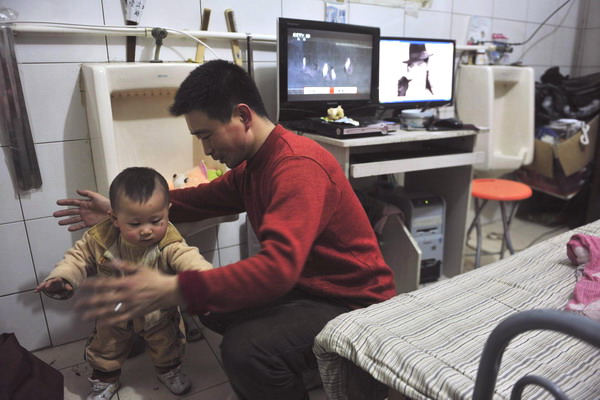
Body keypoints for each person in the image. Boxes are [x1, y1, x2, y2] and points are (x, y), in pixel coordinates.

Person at [53, 59, 396, 400]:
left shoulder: (296, 166)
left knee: (245, 350)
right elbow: (200, 199)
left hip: (354, 303)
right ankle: (294, 367)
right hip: (309, 288)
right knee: (215, 307)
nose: (207, 150)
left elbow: (277, 270)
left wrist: (178, 288)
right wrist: (120, 210)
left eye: (206, 134)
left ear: (243, 116)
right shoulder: (254, 167)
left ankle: (284, 364)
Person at [37, 167, 213, 400]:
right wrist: (63, 278)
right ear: (114, 218)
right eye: (135, 224)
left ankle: (168, 370)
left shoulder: (169, 243)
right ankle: (105, 380)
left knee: (167, 346)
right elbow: (77, 258)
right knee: (105, 348)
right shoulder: (101, 238)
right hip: (114, 312)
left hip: (157, 313)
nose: (146, 231)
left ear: (167, 212)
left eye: (156, 220)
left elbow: (190, 259)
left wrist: (208, 281)